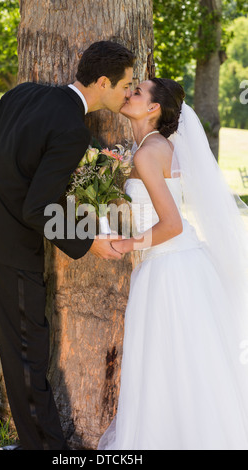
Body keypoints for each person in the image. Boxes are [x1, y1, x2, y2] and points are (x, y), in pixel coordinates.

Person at [0, 41, 135, 451]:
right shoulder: (72, 130)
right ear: (103, 82)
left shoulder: (25, 92)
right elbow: (38, 208)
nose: (128, 93)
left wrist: (11, 159)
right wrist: (89, 242)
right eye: (125, 85)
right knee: (28, 360)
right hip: (13, 254)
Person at [98, 78, 248, 450]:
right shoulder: (152, 146)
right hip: (181, 263)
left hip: (169, 268)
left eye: (137, 91)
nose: (128, 93)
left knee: (172, 362)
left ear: (153, 109)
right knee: (183, 362)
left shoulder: (147, 152)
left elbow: (172, 224)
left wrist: (127, 243)